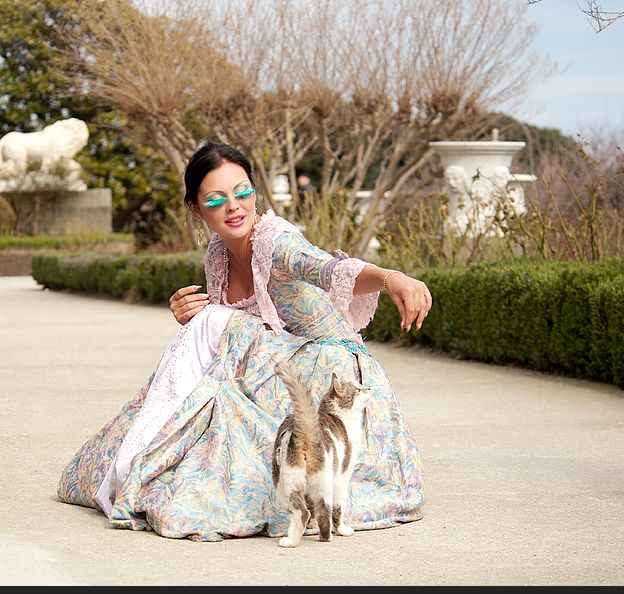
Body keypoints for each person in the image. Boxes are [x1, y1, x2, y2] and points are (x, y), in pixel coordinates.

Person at [58, 142, 430, 542]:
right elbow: (230, 335)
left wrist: (393, 278)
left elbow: (331, 270)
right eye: (217, 198)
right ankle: (145, 452)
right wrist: (191, 314)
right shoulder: (218, 253)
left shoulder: (277, 244)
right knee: (208, 331)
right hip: (281, 365)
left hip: (328, 379)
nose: (234, 206)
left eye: (243, 192)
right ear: (196, 209)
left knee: (213, 332)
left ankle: (164, 456)